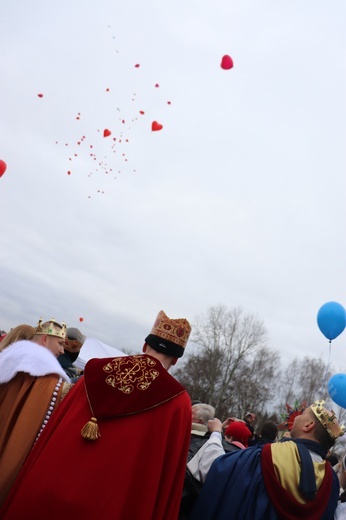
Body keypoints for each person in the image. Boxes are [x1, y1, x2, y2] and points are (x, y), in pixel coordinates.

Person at [0, 310, 192, 520]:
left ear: (145, 346)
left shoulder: (94, 372)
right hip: (112, 508)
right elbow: (166, 481)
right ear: (175, 360)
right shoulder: (178, 403)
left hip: (48, 491)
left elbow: (54, 429)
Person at [189, 400, 344, 520]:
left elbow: (214, 470)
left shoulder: (267, 454)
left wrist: (216, 433)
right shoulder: (332, 482)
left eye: (302, 413)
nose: (297, 416)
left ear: (308, 425)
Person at [0, 318, 71, 506]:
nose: (62, 350)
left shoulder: (13, 357)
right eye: (61, 344)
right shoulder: (39, 372)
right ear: (45, 339)